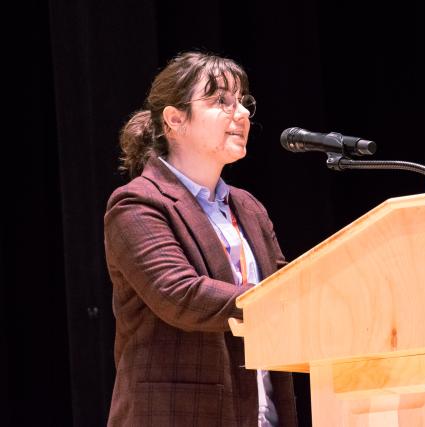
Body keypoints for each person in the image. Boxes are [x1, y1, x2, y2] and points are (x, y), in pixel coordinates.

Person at [104, 51, 297, 426]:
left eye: (243, 102)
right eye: (220, 101)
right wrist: (285, 299)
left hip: (264, 415)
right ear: (175, 120)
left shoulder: (248, 207)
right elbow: (180, 295)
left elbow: (289, 286)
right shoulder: (138, 203)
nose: (240, 114)